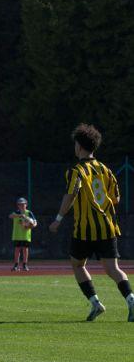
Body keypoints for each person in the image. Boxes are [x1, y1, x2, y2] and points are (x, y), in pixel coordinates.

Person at [49, 123, 134, 322]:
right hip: (107, 226)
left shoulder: (76, 171)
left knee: (77, 264)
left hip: (84, 229)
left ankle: (95, 303)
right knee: (113, 268)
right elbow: (116, 198)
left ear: (79, 146)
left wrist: (58, 219)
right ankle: (131, 300)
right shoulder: (106, 170)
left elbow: (71, 194)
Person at [9, 197, 37, 271]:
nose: (21, 206)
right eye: (19, 204)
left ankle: (24, 265)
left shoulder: (29, 213)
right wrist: (20, 216)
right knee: (17, 250)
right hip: (17, 235)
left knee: (25, 250)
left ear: (26, 204)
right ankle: (16, 265)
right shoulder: (16, 212)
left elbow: (35, 222)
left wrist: (30, 225)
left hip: (25, 235)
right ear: (18, 205)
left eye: (23, 204)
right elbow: (10, 216)